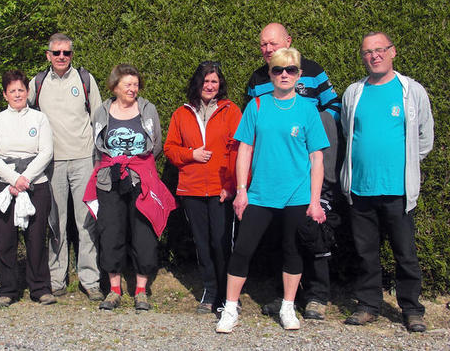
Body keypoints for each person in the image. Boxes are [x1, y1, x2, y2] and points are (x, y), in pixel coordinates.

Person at [216, 48, 329, 333]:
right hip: (260, 194)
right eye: (278, 70)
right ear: (270, 74)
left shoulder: (308, 110)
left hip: (298, 195)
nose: (284, 75)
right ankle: (230, 309)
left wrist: (315, 201)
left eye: (290, 70)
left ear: (299, 75)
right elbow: (244, 150)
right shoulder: (256, 106)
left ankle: (288, 307)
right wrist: (241, 190)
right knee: (242, 250)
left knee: (293, 252)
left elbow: (317, 159)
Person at [246, 22, 341, 320]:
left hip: (309, 174)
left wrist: (311, 139)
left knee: (313, 233)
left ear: (288, 40)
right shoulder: (258, 78)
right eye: (263, 44)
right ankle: (284, 296)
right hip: (273, 177)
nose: (267, 49)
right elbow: (254, 126)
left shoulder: (311, 69)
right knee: (279, 238)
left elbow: (334, 108)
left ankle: (316, 296)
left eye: (272, 43)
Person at [340, 32, 433, 332]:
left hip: (398, 190)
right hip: (360, 189)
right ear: (363, 57)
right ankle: (368, 305)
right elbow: (347, 132)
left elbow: (424, 138)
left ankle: (412, 309)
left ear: (393, 52)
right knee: (365, 252)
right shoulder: (353, 92)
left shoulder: (411, 91)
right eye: (368, 52)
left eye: (380, 50)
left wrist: (400, 164)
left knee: (405, 252)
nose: (374, 56)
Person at [83, 64, 175, 311]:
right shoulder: (102, 111)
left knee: (143, 234)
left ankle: (141, 290)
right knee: (111, 233)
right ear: (115, 86)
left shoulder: (148, 110)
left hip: (141, 179)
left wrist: (136, 164)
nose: (133, 89)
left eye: (135, 84)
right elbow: (97, 145)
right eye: (127, 84)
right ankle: (113, 290)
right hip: (109, 180)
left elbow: (155, 145)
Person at [27, 33, 104, 301]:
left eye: (66, 53)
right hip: (50, 163)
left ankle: (90, 279)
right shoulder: (37, 83)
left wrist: (99, 159)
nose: (62, 57)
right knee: (54, 223)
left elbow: (99, 119)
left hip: (83, 159)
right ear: (48, 55)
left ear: (72, 55)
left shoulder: (85, 80)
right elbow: (26, 118)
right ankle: (57, 278)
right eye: (56, 53)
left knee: (86, 222)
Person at [164, 61, 242, 314]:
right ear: (198, 83)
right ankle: (210, 291)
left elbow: (238, 150)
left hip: (222, 190)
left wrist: (232, 186)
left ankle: (229, 295)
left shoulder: (231, 111)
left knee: (222, 243)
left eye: (214, 82)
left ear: (220, 85)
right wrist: (191, 154)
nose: (209, 86)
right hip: (192, 190)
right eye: (205, 81)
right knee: (202, 242)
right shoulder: (181, 113)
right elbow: (170, 149)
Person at [0, 70, 57, 307]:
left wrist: (25, 178)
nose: (17, 94)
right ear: (5, 94)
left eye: (21, 90)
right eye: (12, 91)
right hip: (5, 186)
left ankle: (40, 288)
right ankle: (8, 288)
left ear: (27, 92)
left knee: (36, 239)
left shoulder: (39, 119)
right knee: (5, 240)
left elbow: (46, 151)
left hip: (36, 185)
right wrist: (14, 179)